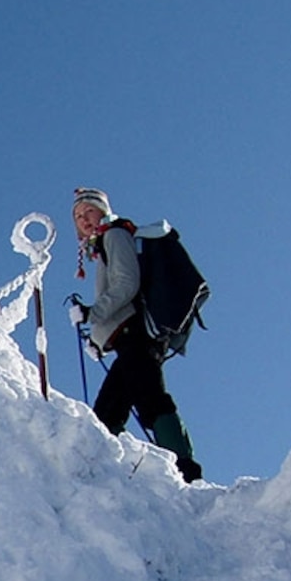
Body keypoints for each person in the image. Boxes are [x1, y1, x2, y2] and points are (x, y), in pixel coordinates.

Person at [68, 186, 204, 482]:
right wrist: (98, 340)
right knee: (110, 408)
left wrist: (92, 314)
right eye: (78, 216)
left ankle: (185, 468)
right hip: (129, 337)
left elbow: (126, 284)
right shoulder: (105, 242)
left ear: (103, 210)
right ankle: (105, 469)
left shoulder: (114, 235)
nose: (84, 219)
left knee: (147, 398)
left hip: (137, 334)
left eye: (89, 210)